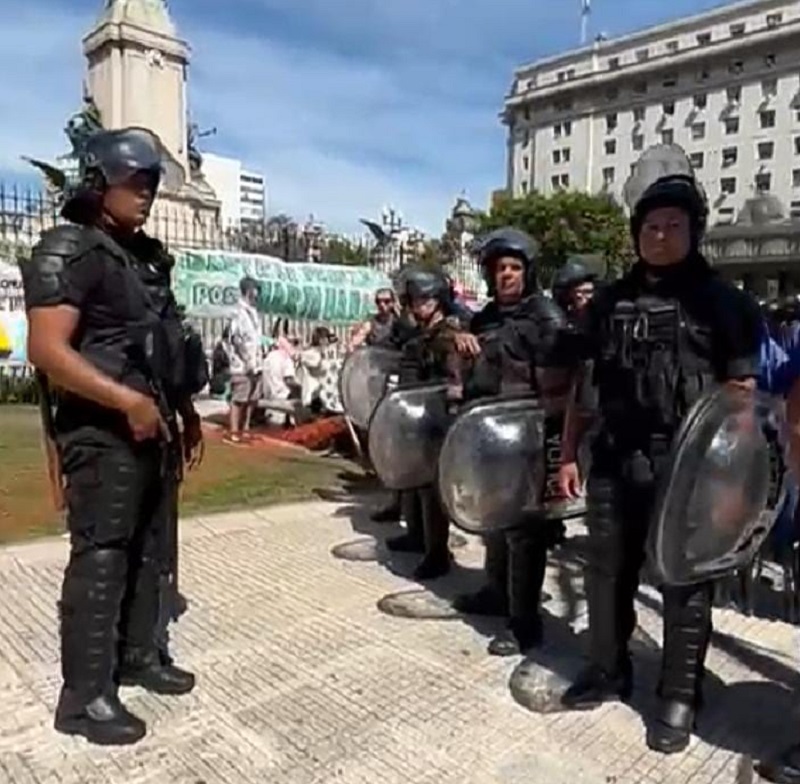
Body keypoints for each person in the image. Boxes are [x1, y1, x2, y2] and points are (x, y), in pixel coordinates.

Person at [557, 144, 763, 754]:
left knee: (685, 582)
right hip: (617, 460)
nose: (662, 233)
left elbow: (742, 399)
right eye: (651, 224)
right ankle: (606, 666)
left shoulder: (724, 303)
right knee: (605, 573)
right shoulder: (608, 302)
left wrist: (735, 487)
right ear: (636, 232)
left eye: (675, 223)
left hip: (693, 471)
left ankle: (679, 692)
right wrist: (570, 454)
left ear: (694, 230)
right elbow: (582, 385)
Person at [20, 127, 196, 746]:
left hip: (152, 428)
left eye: (151, 184)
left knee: (152, 549)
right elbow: (47, 349)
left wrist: (178, 407)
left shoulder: (140, 256)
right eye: (135, 183)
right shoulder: (71, 247)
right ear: (99, 183)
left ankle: (138, 655)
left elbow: (162, 342)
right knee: (102, 558)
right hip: (102, 434)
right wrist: (126, 401)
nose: (146, 194)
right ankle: (85, 696)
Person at [448, 227, 571, 654]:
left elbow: (561, 384)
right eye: (499, 268)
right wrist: (460, 337)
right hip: (489, 433)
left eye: (514, 268)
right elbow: (466, 352)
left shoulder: (545, 316)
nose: (506, 275)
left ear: (528, 272)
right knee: (495, 521)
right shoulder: (484, 319)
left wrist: (557, 450)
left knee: (525, 531)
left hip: (530, 438)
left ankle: (525, 623)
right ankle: (496, 592)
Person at [132, 249, 207, 668]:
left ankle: (148, 643)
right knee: (116, 548)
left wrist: (190, 416)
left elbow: (174, 371)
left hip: (160, 431)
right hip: (115, 437)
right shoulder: (112, 310)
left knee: (159, 543)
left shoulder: (164, 316)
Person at [384, 267, 463, 579]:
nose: (417, 305)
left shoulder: (449, 334)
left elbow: (454, 381)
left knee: (432, 491)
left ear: (438, 300)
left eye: (423, 299)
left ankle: (437, 554)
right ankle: (417, 537)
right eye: (414, 300)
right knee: (414, 481)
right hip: (417, 417)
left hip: (438, 419)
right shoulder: (422, 333)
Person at [226, 276, 263, 444]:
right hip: (242, 364)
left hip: (256, 362)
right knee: (239, 398)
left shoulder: (253, 312)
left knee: (251, 398)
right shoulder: (238, 313)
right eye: (255, 289)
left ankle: (245, 429)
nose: (257, 293)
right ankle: (234, 432)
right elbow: (236, 338)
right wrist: (247, 359)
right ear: (248, 291)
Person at [551, 256, 597, 320]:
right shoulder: (557, 319)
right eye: (578, 291)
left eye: (588, 292)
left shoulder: (603, 317)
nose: (588, 297)